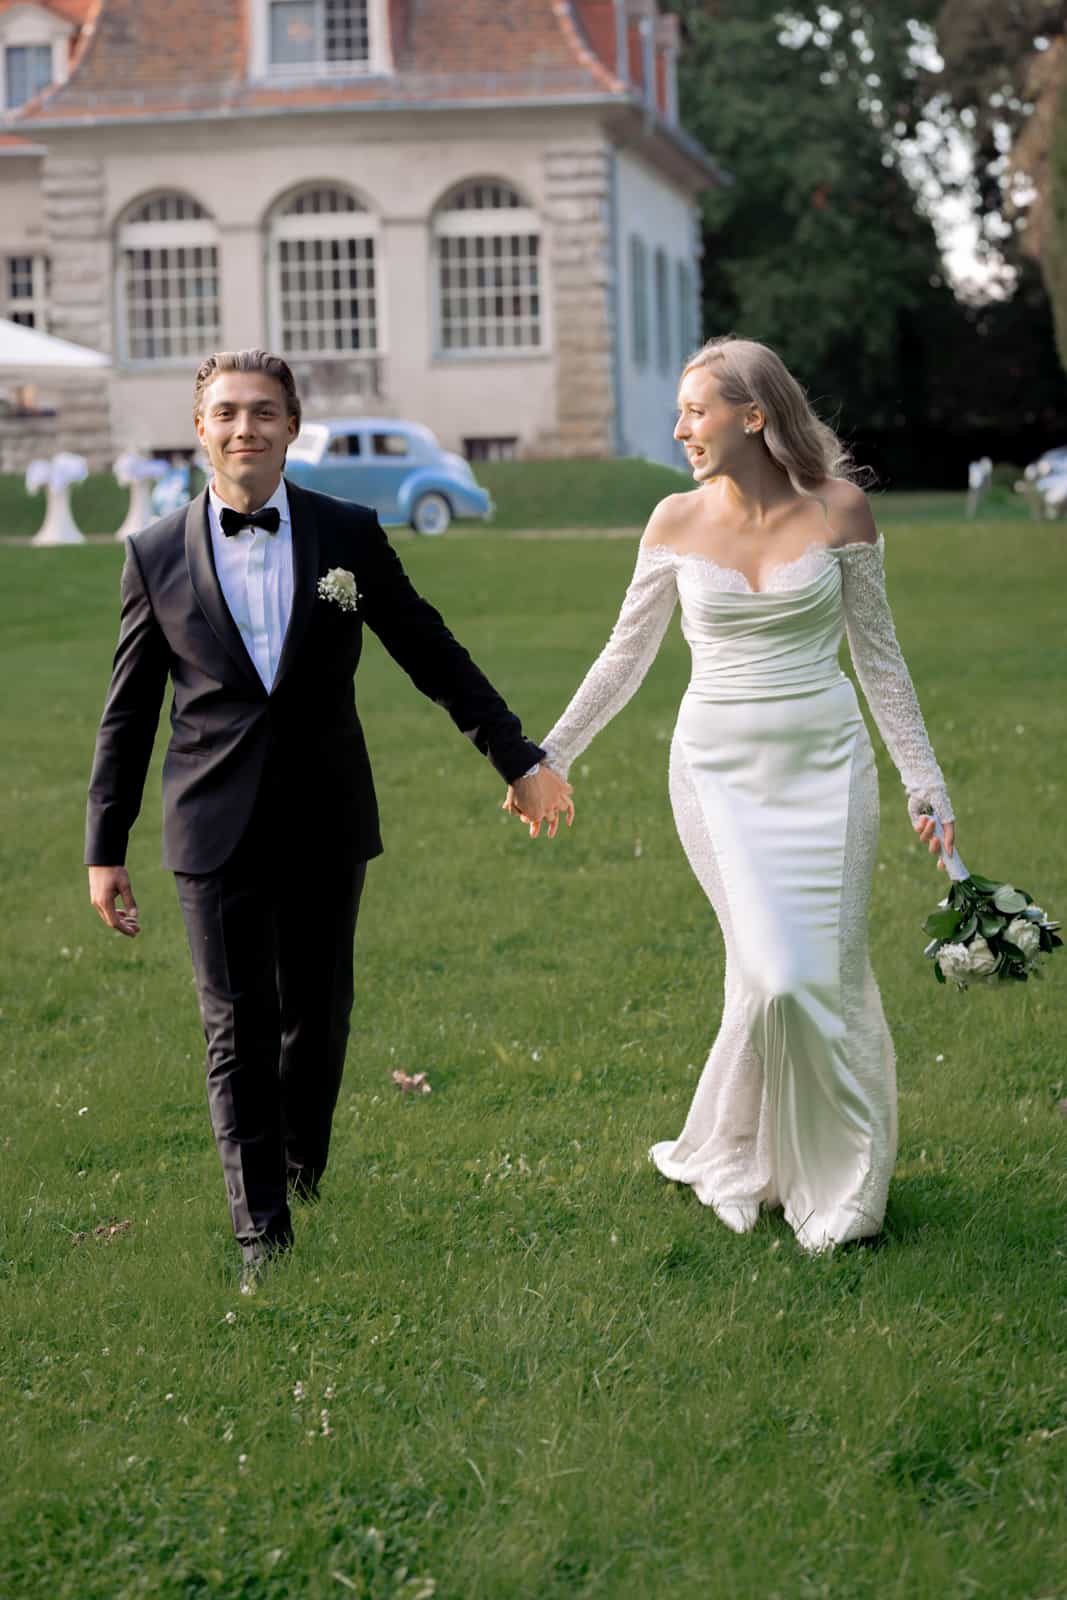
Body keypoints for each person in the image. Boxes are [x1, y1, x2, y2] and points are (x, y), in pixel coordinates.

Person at [85, 348, 573, 1283]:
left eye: (263, 412)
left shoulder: (347, 533)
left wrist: (517, 756)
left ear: (291, 426)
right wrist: (104, 847)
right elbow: (128, 711)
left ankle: (301, 1168)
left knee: (318, 1014)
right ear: (200, 428)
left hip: (324, 814)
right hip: (211, 821)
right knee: (236, 1024)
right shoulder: (152, 554)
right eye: (226, 412)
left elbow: (430, 648)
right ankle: (260, 1232)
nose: (244, 429)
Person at [509, 336, 955, 1251]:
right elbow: (622, 657)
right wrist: (545, 756)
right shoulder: (673, 520)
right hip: (714, 773)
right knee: (771, 972)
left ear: (753, 415)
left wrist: (924, 779)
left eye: (695, 411)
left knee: (816, 973)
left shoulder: (841, 512)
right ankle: (737, 1155)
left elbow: (880, 658)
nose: (679, 430)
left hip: (826, 766)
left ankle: (843, 1186)